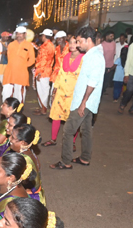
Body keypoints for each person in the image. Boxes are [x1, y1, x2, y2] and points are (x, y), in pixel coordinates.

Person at [50, 25, 105, 170]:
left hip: (85, 101)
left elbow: (93, 82)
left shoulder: (95, 56)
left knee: (68, 130)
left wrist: (83, 102)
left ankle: (65, 161)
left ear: (88, 40)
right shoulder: (91, 55)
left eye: (80, 41)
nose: (77, 44)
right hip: (85, 101)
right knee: (86, 130)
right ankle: (85, 158)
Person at [42, 35, 83, 148]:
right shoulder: (65, 57)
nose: (73, 45)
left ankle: (72, 142)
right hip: (61, 91)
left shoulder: (84, 59)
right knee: (56, 116)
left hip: (74, 94)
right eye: (71, 43)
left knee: (73, 119)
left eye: (76, 43)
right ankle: (53, 139)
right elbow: (60, 74)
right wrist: (55, 90)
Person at [2, 26, 35, 104]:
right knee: (6, 93)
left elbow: (32, 60)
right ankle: (7, 111)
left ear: (25, 34)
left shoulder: (29, 45)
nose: (19, 35)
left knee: (19, 95)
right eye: (17, 33)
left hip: (21, 74)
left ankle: (18, 112)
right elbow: (9, 58)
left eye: (21, 34)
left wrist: (23, 66)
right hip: (9, 73)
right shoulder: (11, 45)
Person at [34, 29, 55, 115]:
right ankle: (42, 107)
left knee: (43, 91)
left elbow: (44, 60)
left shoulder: (47, 46)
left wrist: (39, 73)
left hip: (43, 72)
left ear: (44, 36)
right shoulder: (48, 45)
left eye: (42, 35)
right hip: (45, 71)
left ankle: (43, 109)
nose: (41, 37)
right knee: (42, 90)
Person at [50, 31, 69, 102]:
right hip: (56, 75)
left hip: (66, 75)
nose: (59, 41)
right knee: (53, 93)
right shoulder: (57, 48)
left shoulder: (70, 48)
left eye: (60, 39)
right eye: (57, 39)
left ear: (65, 38)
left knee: (63, 94)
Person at [118, 44, 133, 114]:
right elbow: (128, 60)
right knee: (129, 91)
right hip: (131, 73)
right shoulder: (132, 46)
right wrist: (126, 74)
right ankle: (123, 104)